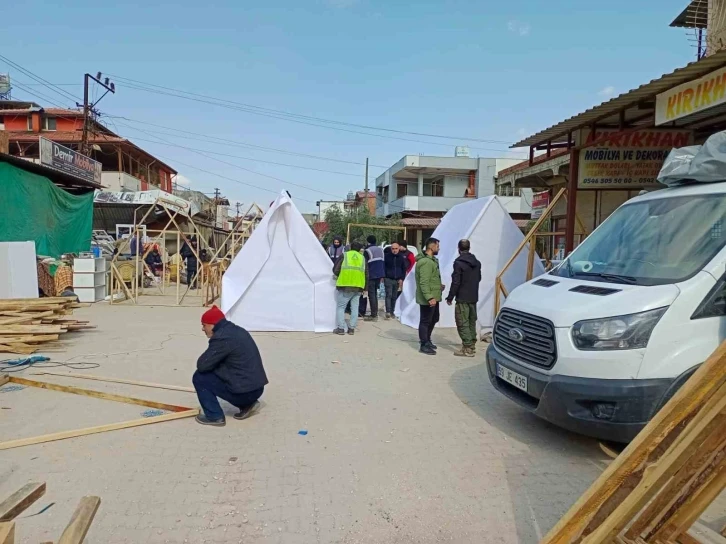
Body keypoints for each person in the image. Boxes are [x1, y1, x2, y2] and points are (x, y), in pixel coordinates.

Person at [193, 305, 268, 426]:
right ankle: (248, 404)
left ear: (212, 325)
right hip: (257, 388)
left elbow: (202, 365)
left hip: (246, 392)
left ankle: (214, 416)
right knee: (218, 368)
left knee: (199, 377)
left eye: (204, 325)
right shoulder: (236, 330)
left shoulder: (222, 338)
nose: (203, 329)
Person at [446, 239, 482, 357]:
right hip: (473, 296)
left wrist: (450, 297)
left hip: (462, 297)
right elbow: (479, 278)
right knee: (471, 321)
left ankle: (467, 348)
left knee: (462, 322)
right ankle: (471, 344)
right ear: (469, 248)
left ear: (459, 249)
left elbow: (456, 282)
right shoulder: (477, 262)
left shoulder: (458, 263)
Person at [415, 237, 443, 355]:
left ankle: (427, 339)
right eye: (437, 246)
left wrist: (438, 285)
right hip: (428, 298)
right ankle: (424, 344)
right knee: (425, 320)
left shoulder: (432, 260)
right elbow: (424, 282)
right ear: (431, 247)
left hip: (434, 295)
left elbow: (431, 279)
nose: (439, 248)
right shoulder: (426, 262)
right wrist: (429, 297)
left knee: (434, 318)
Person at [332, 241, 367, 335]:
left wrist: (337, 276)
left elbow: (336, 269)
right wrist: (365, 288)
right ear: (360, 249)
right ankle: (351, 329)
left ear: (350, 247)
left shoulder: (345, 255)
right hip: (359, 286)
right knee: (355, 307)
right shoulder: (362, 258)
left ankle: (341, 328)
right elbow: (366, 273)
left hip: (345, 286)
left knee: (341, 307)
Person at [383, 241, 408, 319]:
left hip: (397, 280)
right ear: (391, 249)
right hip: (388, 278)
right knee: (388, 295)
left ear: (398, 248)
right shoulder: (386, 257)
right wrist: (384, 276)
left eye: (396, 248)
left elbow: (404, 269)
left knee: (394, 296)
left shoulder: (401, 257)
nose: (394, 250)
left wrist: (402, 279)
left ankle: (392, 311)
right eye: (393, 248)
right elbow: (383, 267)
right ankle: (388, 311)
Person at [363, 235, 385, 321]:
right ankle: (374, 313)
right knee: (375, 293)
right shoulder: (381, 250)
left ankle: (373, 315)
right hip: (379, 274)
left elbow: (365, 264)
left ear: (368, 242)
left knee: (371, 294)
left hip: (371, 274)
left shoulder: (367, 250)